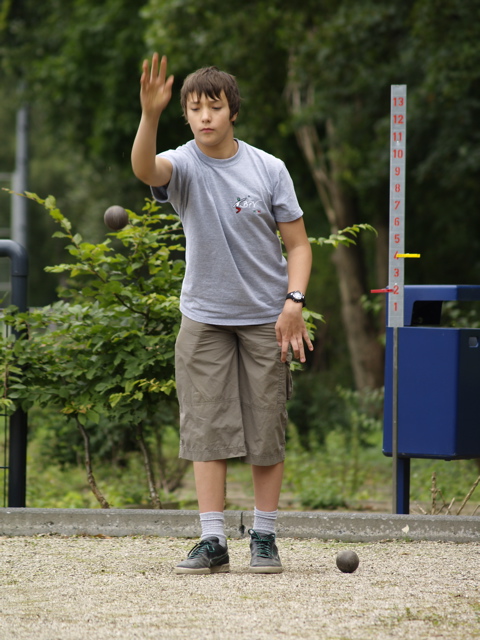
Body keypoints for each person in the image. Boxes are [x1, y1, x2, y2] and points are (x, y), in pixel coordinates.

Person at [131, 53, 313, 575]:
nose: (204, 116)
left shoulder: (268, 168)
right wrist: (149, 114)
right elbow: (145, 169)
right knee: (206, 426)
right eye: (194, 108)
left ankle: (264, 537)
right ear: (185, 115)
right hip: (204, 316)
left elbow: (298, 246)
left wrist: (294, 303)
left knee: (266, 428)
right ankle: (212, 541)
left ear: (233, 110)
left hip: (266, 316)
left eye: (214, 107)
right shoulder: (183, 164)